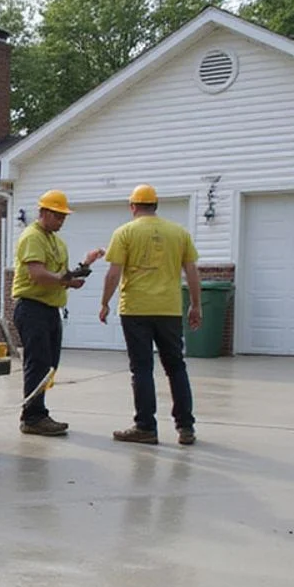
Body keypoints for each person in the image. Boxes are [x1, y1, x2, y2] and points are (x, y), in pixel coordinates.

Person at [98, 184, 201, 446]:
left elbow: (113, 273)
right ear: (155, 205)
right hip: (168, 310)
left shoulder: (124, 232)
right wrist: (196, 305)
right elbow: (192, 272)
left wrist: (105, 302)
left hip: (136, 310)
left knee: (142, 368)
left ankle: (145, 426)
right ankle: (186, 427)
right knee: (176, 367)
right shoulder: (179, 233)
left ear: (133, 206)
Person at [11, 189, 103, 437]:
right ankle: (32, 417)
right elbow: (38, 274)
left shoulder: (56, 241)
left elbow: (61, 275)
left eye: (64, 216)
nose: (61, 220)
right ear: (43, 212)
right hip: (32, 307)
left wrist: (84, 266)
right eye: (57, 215)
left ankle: (38, 413)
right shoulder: (33, 237)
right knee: (38, 363)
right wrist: (66, 282)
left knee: (50, 365)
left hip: (50, 309)